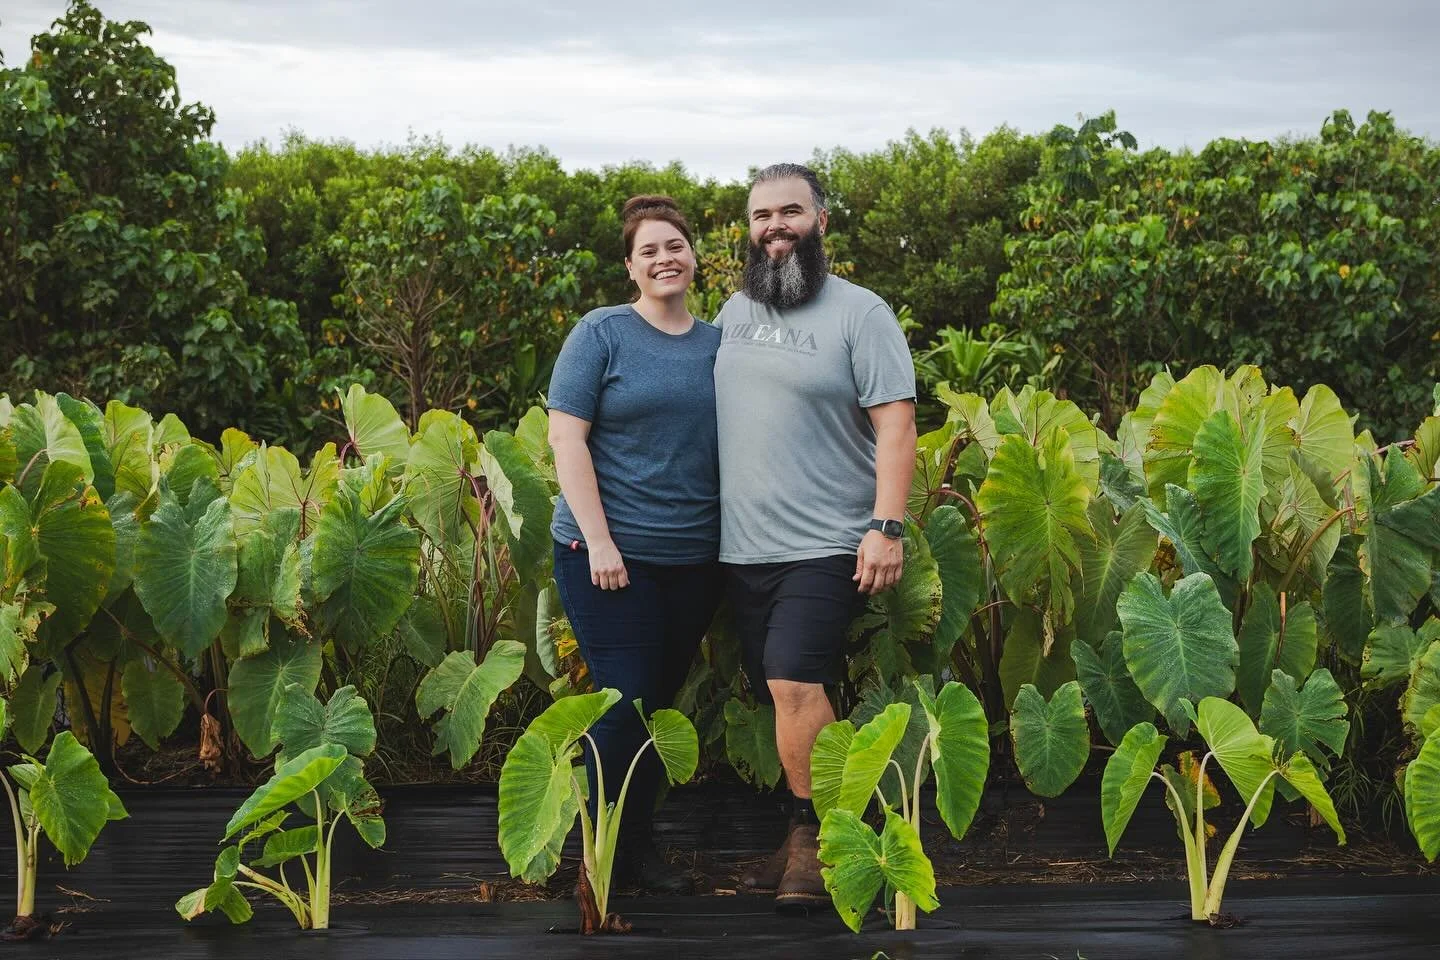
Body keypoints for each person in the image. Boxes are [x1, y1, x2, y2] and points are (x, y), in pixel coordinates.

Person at [714, 163, 917, 910]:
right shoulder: (735, 310)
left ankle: (822, 840)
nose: (776, 227)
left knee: (793, 683)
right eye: (762, 214)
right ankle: (809, 831)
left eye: (791, 211)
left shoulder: (862, 314)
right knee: (791, 692)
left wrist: (885, 527)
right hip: (741, 546)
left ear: (821, 222)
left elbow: (895, 424)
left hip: (827, 540)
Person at [546, 195, 722, 894]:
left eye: (674, 246)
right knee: (625, 703)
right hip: (606, 557)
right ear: (630, 267)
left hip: (696, 560)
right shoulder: (602, 334)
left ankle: (634, 851)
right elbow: (567, 437)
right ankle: (591, 856)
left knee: (657, 708)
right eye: (648, 251)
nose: (663, 259)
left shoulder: (718, 344)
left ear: (694, 255)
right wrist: (600, 541)